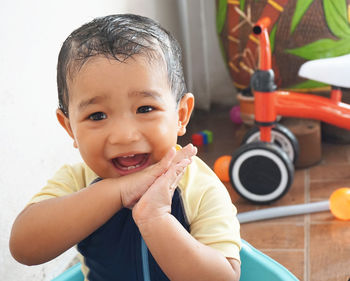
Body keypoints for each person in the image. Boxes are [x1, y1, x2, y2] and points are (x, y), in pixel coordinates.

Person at [10, 14, 241, 281]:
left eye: (145, 108)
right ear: (70, 128)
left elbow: (223, 278)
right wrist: (116, 192)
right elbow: (24, 247)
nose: (124, 136)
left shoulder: (198, 187)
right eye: (97, 116)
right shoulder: (77, 181)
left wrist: (156, 219)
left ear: (181, 115)